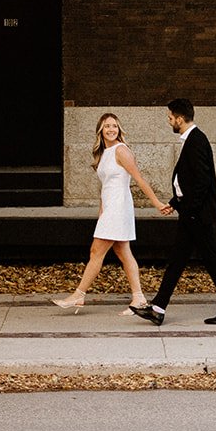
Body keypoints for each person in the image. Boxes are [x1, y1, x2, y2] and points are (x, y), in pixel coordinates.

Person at [131, 98, 216, 326]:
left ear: (180, 119)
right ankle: (158, 309)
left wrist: (189, 211)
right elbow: (189, 181)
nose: (169, 122)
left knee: (210, 261)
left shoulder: (196, 140)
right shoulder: (192, 139)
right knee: (178, 261)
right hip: (192, 213)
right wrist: (176, 202)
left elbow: (202, 182)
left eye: (170, 118)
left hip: (197, 216)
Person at [54, 112, 169, 312]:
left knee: (96, 251)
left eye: (114, 126)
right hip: (109, 208)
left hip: (119, 207)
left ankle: (79, 295)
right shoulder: (103, 154)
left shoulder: (121, 150)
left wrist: (156, 203)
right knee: (123, 252)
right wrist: (101, 212)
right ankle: (139, 298)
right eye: (107, 126)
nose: (111, 129)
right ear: (100, 130)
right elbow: (105, 187)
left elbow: (139, 179)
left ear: (119, 129)